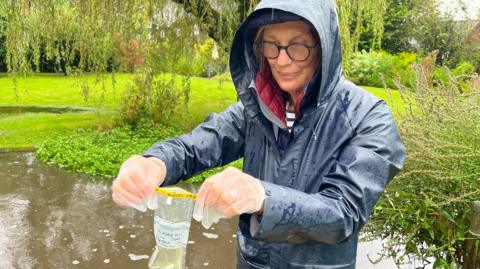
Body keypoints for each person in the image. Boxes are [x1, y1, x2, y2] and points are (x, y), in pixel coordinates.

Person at [111, 0, 406, 268]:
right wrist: (152, 163)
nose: (281, 60)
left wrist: (261, 196)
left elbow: (343, 212)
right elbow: (195, 147)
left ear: (324, 48)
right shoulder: (255, 109)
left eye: (298, 46)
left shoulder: (368, 117)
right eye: (271, 45)